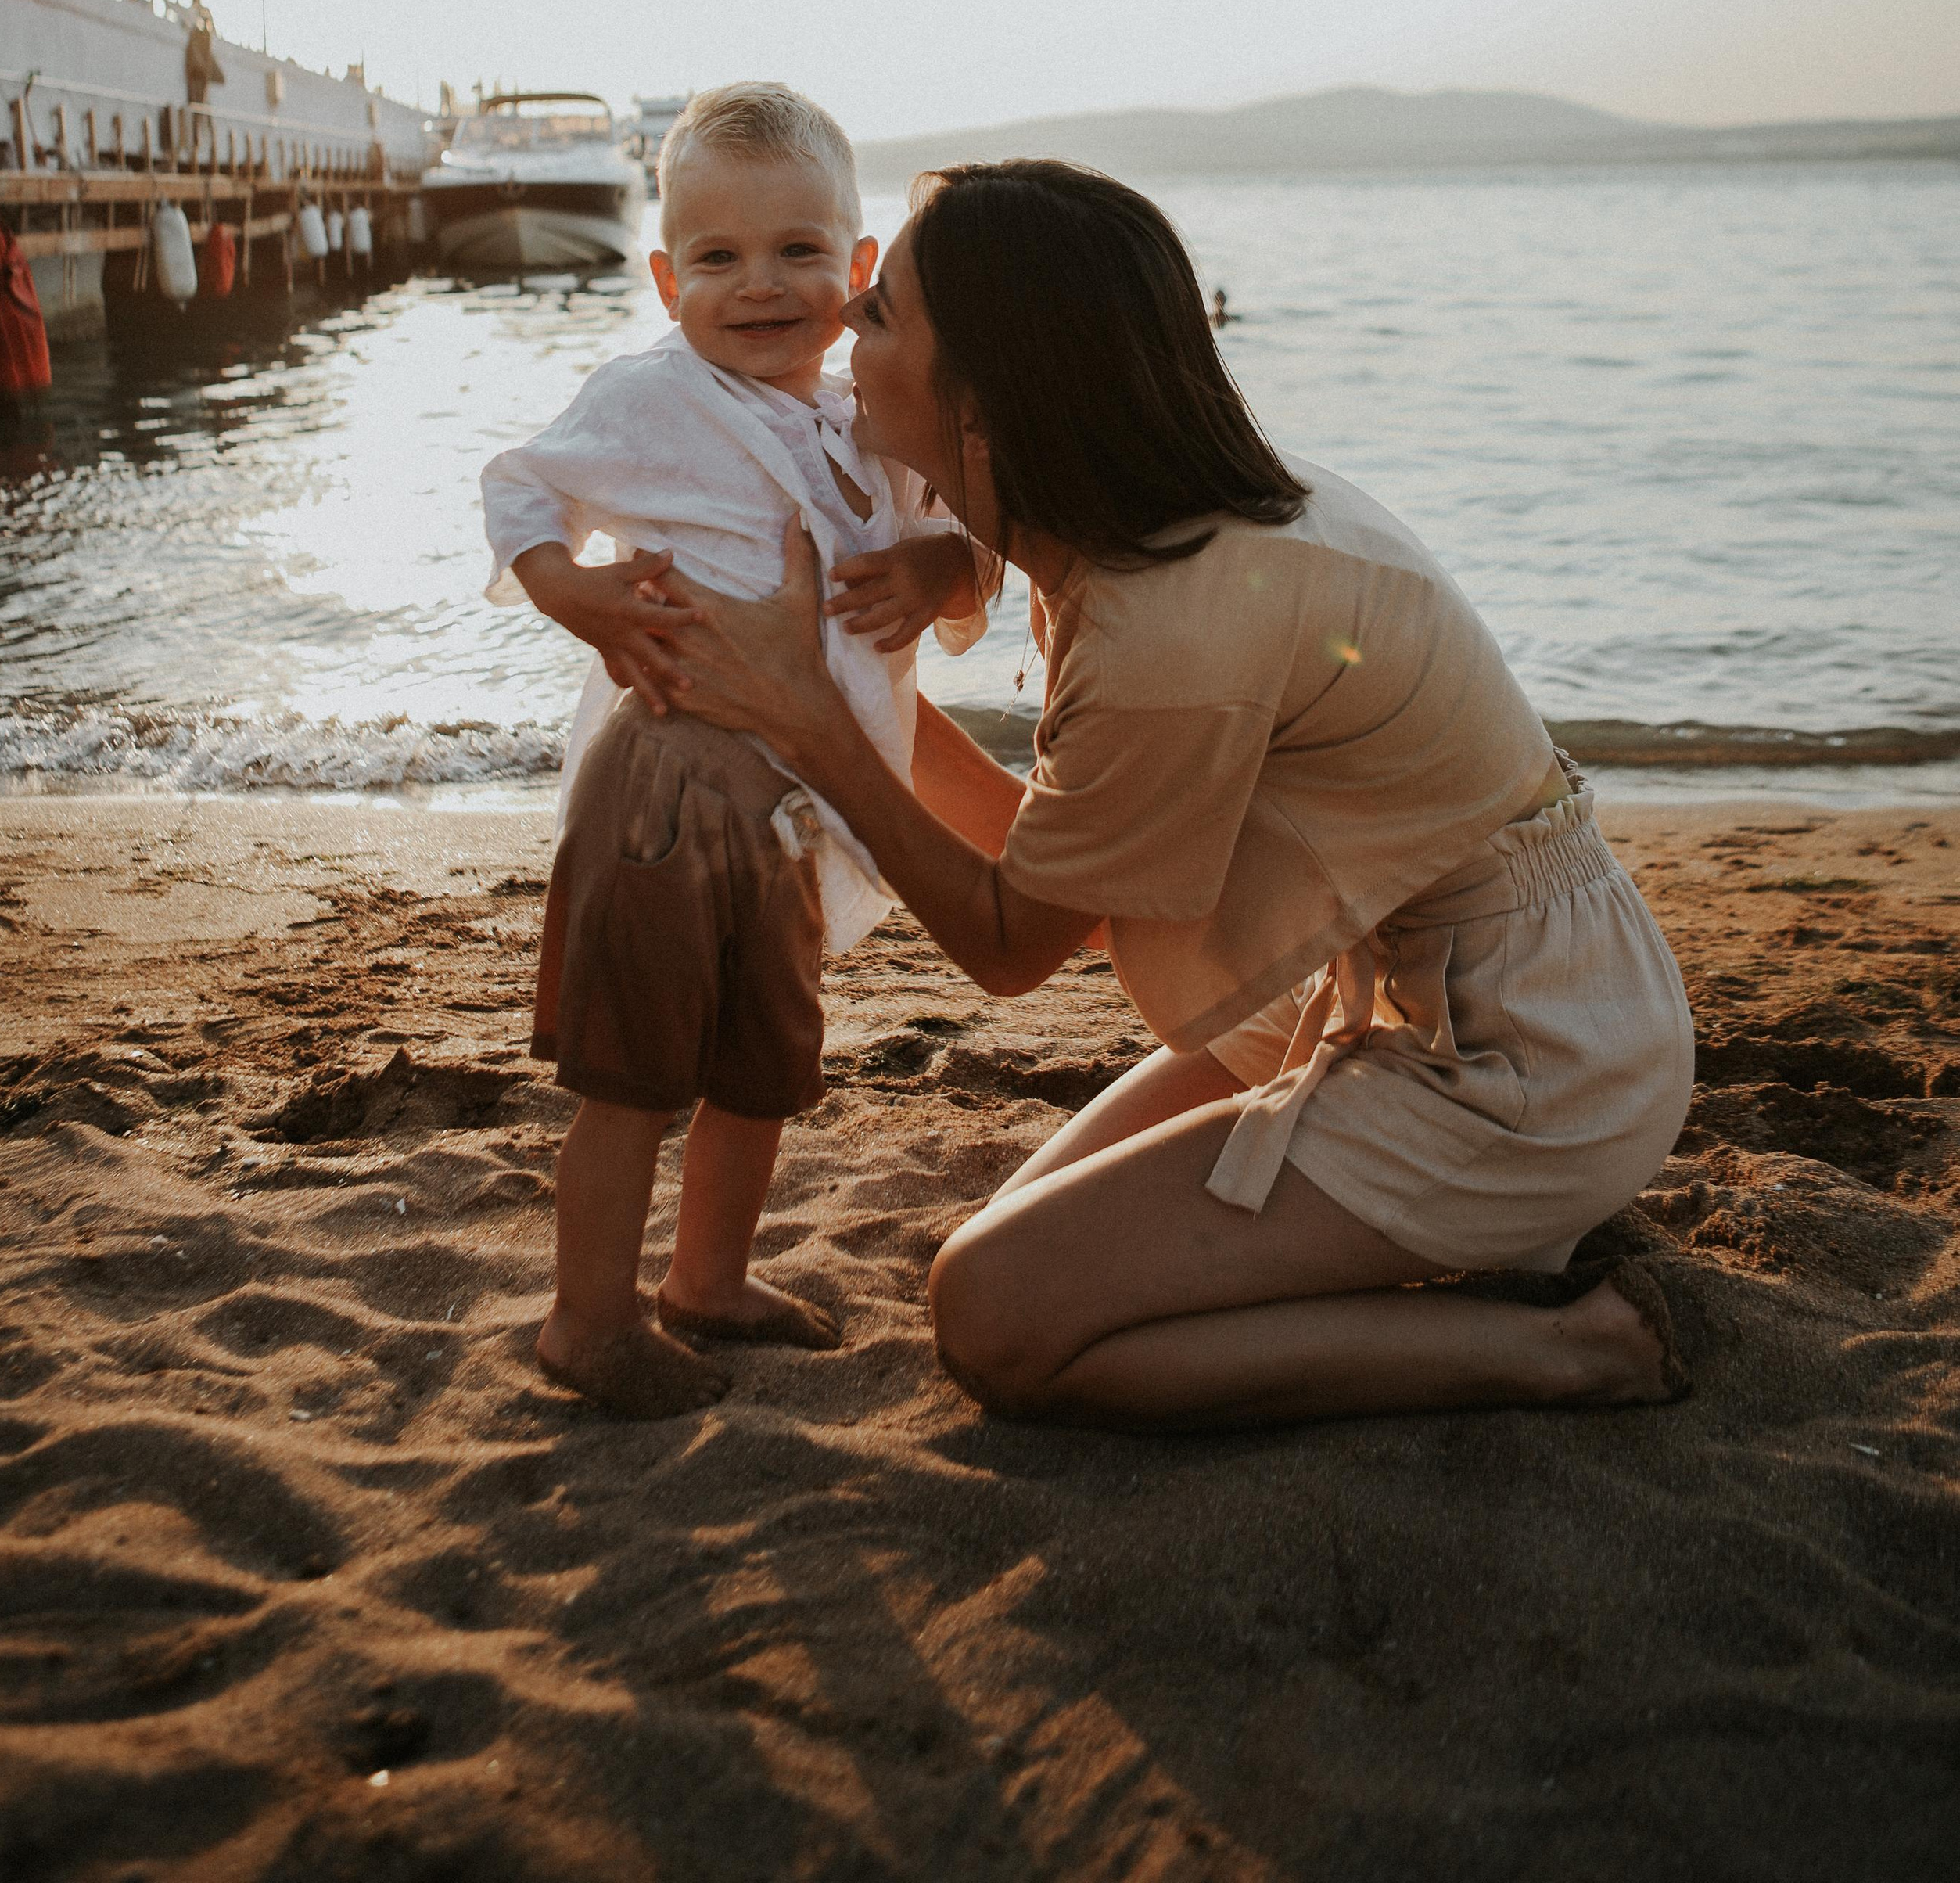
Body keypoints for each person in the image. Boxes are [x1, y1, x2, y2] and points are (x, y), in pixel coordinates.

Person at [634, 159, 1698, 1433]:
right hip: (1410, 985)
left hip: (1530, 1059)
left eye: (883, 312)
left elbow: (1014, 944)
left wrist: (814, 721)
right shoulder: (1147, 513)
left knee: (998, 1313)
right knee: (1023, 1237)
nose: (844, 319)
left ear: (986, 400)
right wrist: (851, 693)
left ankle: (1571, 1349)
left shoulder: (1174, 625)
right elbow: (1072, 879)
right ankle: (1442, 1234)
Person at [479, 84, 981, 1416]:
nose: (759, 285)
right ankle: (587, 1319)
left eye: (798, 251)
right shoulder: (655, 398)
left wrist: (934, 569)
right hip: (664, 784)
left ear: (858, 269)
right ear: (666, 280)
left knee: (766, 1061)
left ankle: (708, 1277)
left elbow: (975, 541)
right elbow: (520, 487)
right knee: (633, 1079)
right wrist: (575, 594)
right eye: (717, 257)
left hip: (794, 813)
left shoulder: (871, 426)